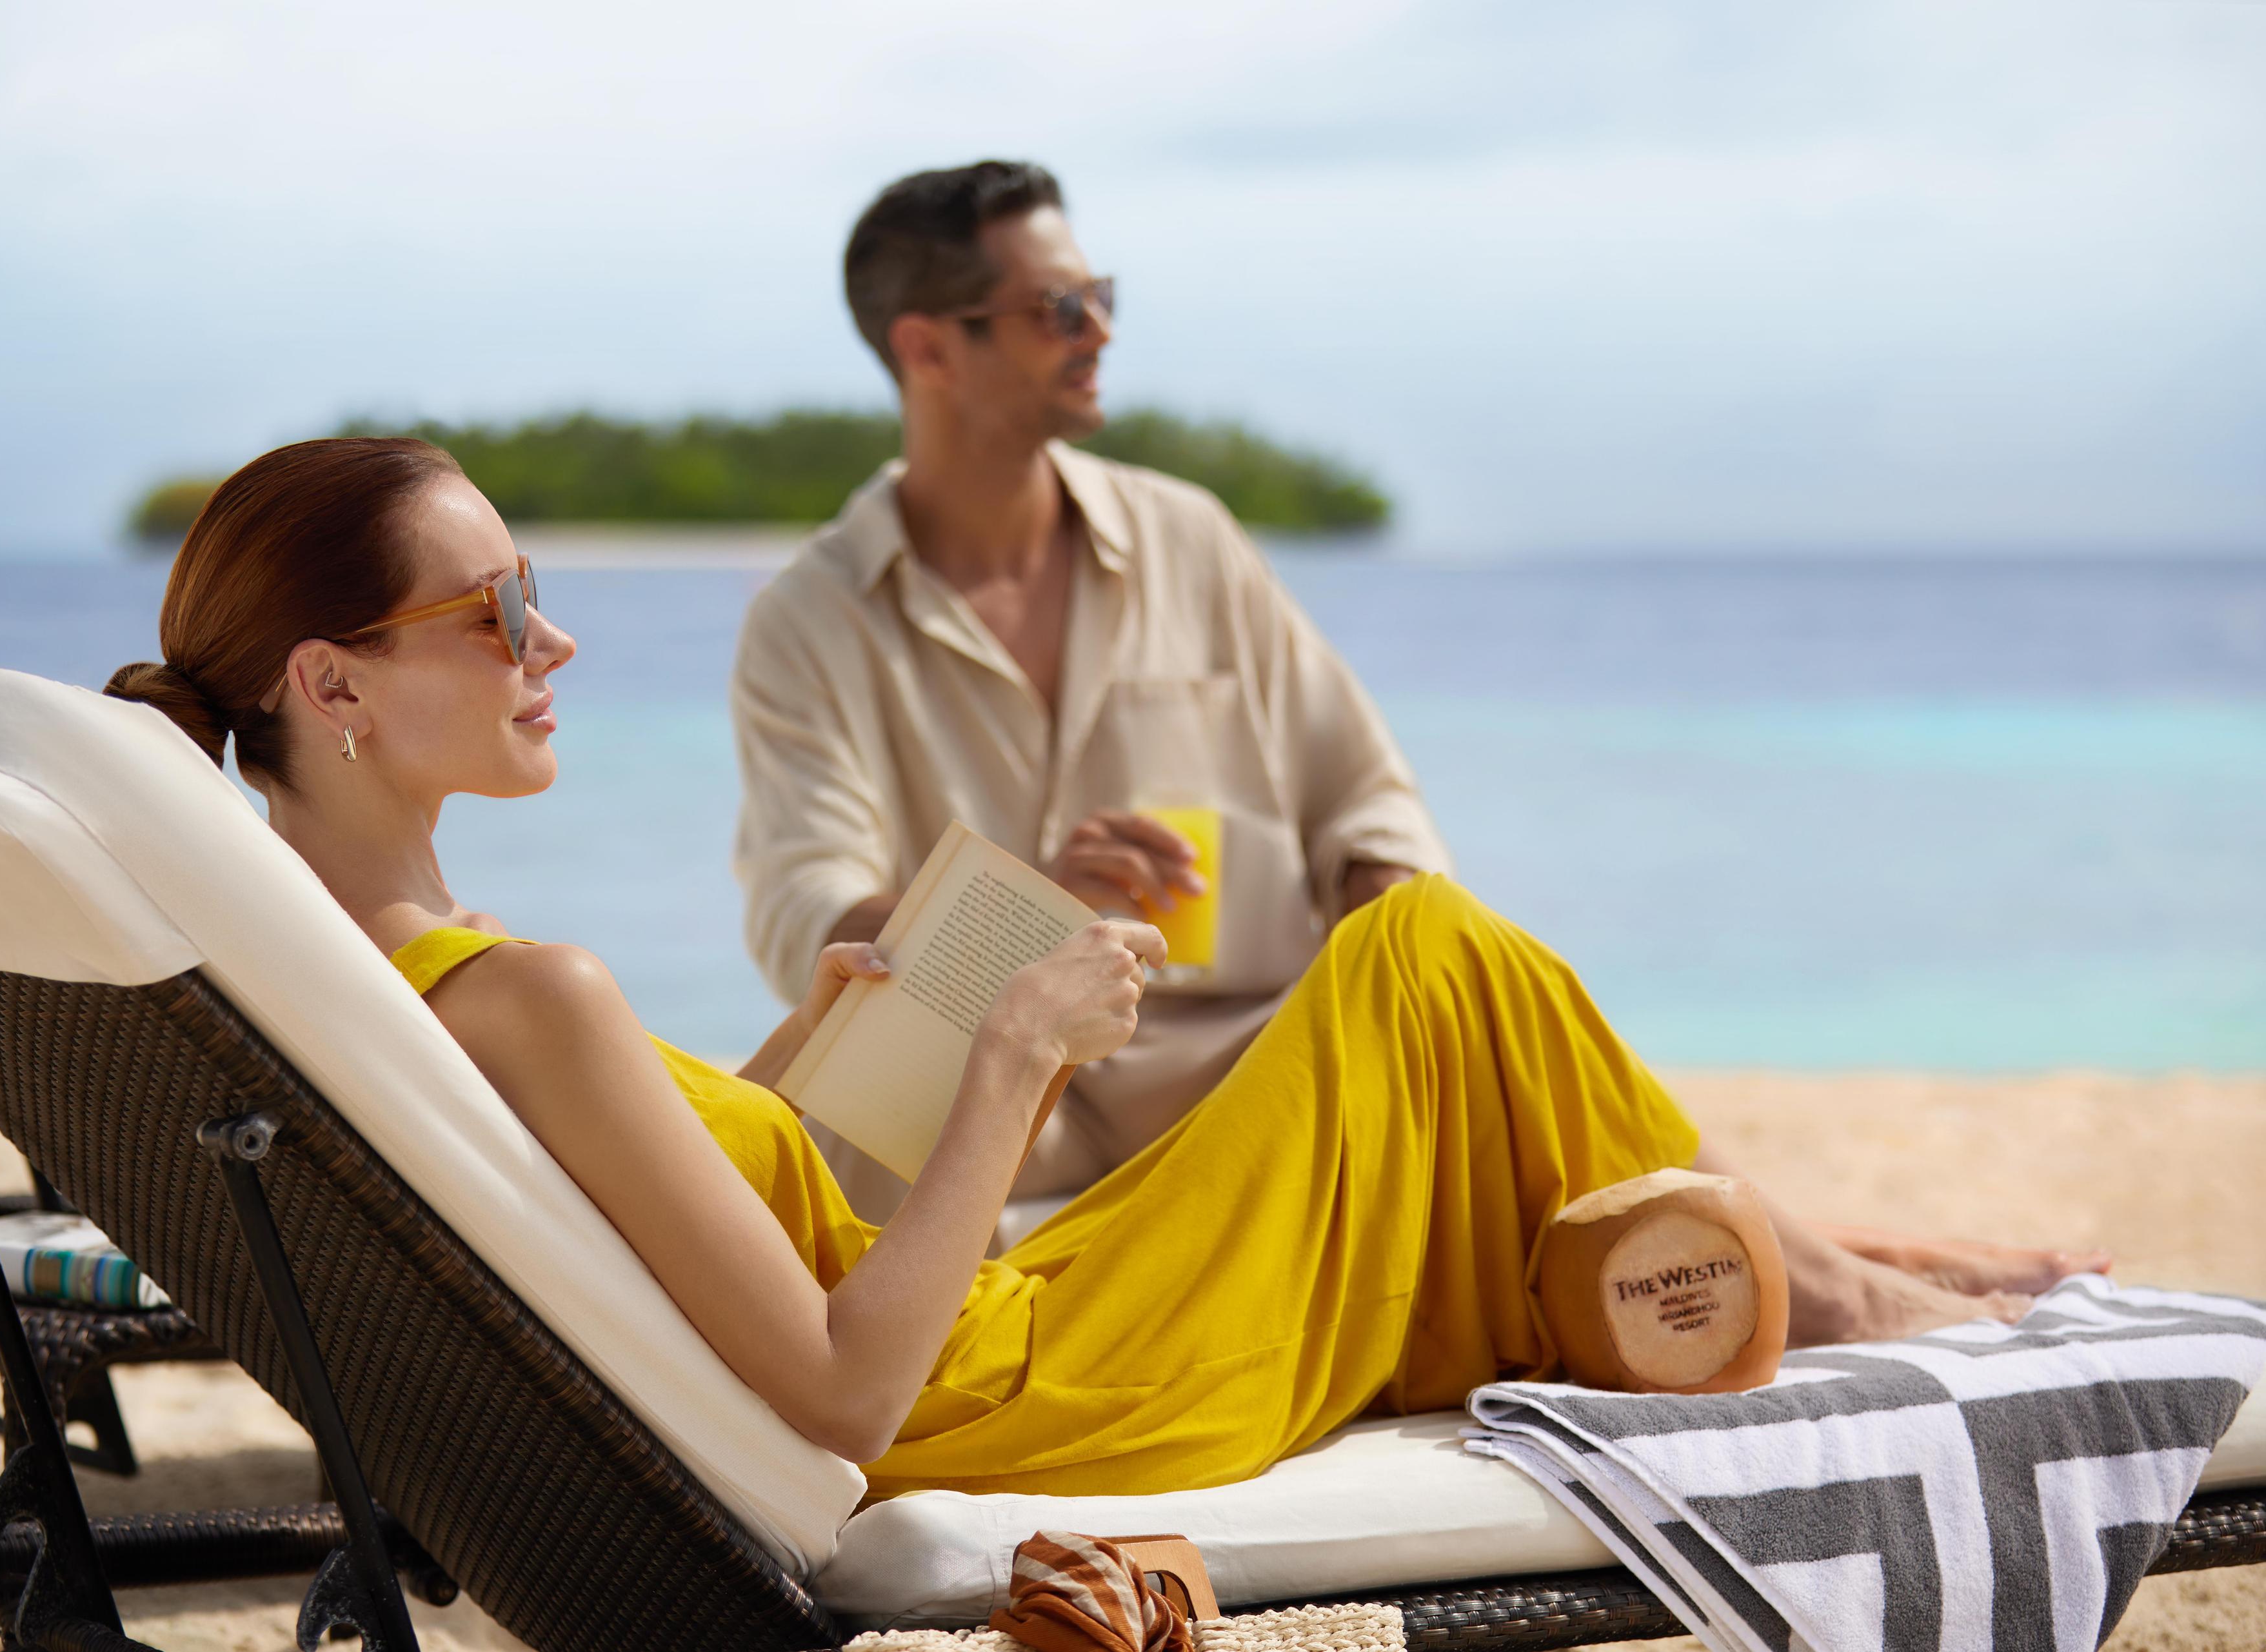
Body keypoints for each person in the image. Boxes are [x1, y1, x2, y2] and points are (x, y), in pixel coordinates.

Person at [106, 435, 2105, 1499]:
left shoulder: (374, 976)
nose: (550, 643)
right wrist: (1013, 1061)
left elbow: (713, 1215)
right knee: (1422, 953)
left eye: (537, 598)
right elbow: (843, 1401)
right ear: (330, 685)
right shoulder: (522, 989)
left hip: (1019, 1331)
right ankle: (1806, 1269)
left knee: (1432, 1003)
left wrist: (879, 996)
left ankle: (1786, 1253)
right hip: (1038, 1379)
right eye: (496, 607)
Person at [731, 161, 1449, 1223]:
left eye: (1100, 296)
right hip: (1004, 1081)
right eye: (1059, 308)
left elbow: (1366, 795)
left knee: (1483, 980)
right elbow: (807, 908)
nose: (1099, 331)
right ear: (927, 348)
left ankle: (1787, 1294)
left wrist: (1399, 950)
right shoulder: (810, 619)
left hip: (1245, 1055)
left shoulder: (1191, 538)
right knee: (826, 1115)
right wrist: (1024, 923)